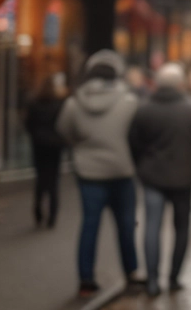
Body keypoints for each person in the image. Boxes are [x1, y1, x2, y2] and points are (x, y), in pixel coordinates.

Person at [57, 50, 140, 297]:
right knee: (126, 225)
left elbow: (63, 130)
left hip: (88, 172)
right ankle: (131, 274)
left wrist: (81, 147)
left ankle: (86, 280)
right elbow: (136, 135)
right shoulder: (129, 101)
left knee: (89, 226)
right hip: (121, 172)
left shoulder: (73, 103)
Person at [129, 63, 191, 297]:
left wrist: (142, 164)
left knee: (151, 227)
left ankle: (152, 281)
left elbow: (133, 142)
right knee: (181, 228)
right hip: (182, 178)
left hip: (151, 176)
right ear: (180, 84)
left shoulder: (144, 108)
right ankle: (174, 278)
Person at [25, 73, 68, 227]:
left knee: (40, 179)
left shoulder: (34, 103)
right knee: (53, 180)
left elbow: (28, 124)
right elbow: (65, 126)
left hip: (39, 145)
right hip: (55, 146)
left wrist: (36, 136)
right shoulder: (60, 104)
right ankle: (52, 216)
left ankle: (38, 210)